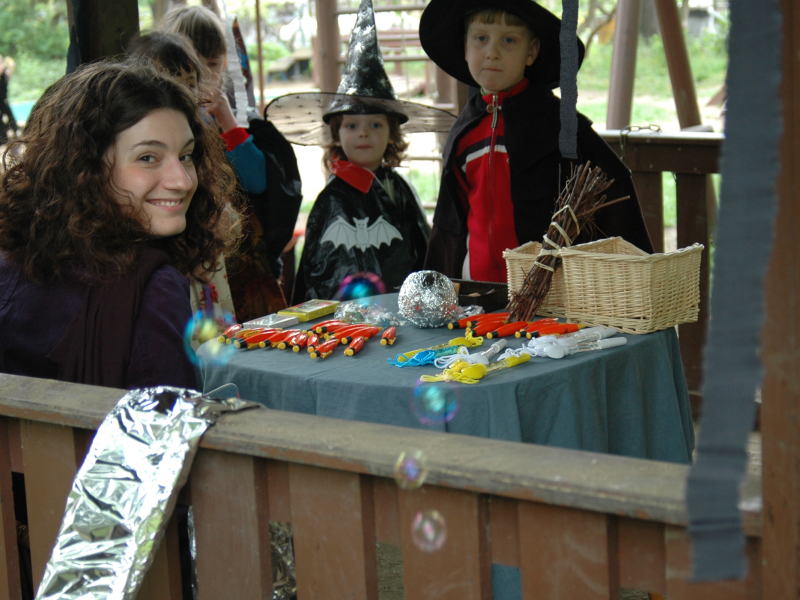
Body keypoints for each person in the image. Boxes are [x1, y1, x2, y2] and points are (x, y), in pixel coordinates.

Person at [0, 61, 241, 389]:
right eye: (148, 158)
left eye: (186, 156)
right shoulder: (152, 288)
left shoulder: (14, 263)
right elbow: (163, 416)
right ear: (86, 168)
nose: (183, 181)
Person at [419, 0, 653, 283]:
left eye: (508, 40)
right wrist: (440, 283)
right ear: (465, 47)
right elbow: (449, 222)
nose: (492, 53)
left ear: (530, 52)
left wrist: (633, 277)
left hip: (549, 289)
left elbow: (613, 195)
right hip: (477, 288)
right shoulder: (465, 132)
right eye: (481, 39)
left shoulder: (560, 126)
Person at [265, 0, 454, 301]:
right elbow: (314, 270)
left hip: (398, 309)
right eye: (351, 125)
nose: (363, 133)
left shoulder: (398, 191)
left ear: (392, 133)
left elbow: (424, 253)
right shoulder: (330, 199)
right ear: (337, 134)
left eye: (375, 125)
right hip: (342, 316)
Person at [160, 5, 302, 320]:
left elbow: (258, 181)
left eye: (212, 65)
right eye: (193, 67)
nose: (203, 78)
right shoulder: (162, 125)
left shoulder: (238, 120)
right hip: (191, 254)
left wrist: (226, 120)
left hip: (243, 258)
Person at [0, 56, 18, 145]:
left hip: (3, 100)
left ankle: (15, 131)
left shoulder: (5, 75)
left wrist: (5, 62)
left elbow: (11, 65)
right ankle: (3, 137)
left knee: (10, 116)